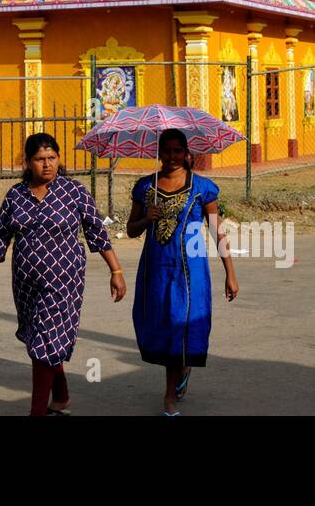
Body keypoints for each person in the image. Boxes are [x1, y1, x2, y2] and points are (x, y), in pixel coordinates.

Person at [0, 133, 127, 416]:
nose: (47, 165)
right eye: (40, 160)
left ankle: (37, 411)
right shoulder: (15, 196)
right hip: (26, 282)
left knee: (44, 341)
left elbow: (97, 233)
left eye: (52, 158)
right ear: (28, 162)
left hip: (63, 281)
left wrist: (115, 270)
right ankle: (62, 394)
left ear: (59, 159)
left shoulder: (74, 192)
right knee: (41, 338)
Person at [127, 128, 238, 416]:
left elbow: (216, 231)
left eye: (178, 150)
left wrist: (230, 273)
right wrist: (145, 219)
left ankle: (169, 396)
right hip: (156, 270)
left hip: (191, 272)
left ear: (187, 153)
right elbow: (130, 230)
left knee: (182, 325)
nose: (173, 156)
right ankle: (181, 370)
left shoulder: (203, 188)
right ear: (159, 152)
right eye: (167, 150)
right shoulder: (144, 187)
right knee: (163, 327)